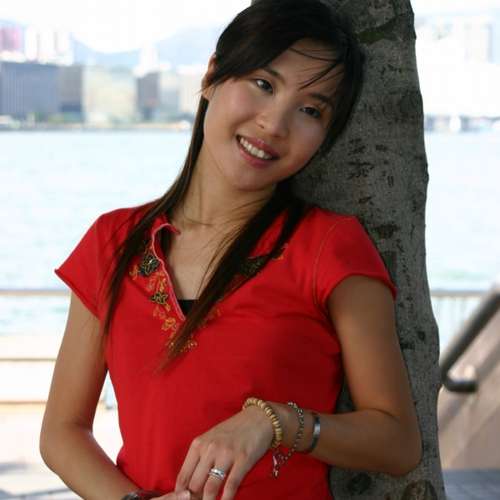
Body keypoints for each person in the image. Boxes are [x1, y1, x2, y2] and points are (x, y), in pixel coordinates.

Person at [39, 0, 422, 499]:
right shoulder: (114, 242)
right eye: (263, 84)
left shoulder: (330, 247)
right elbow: (62, 432)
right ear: (212, 76)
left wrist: (276, 422)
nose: (274, 124)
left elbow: (397, 442)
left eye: (310, 110)